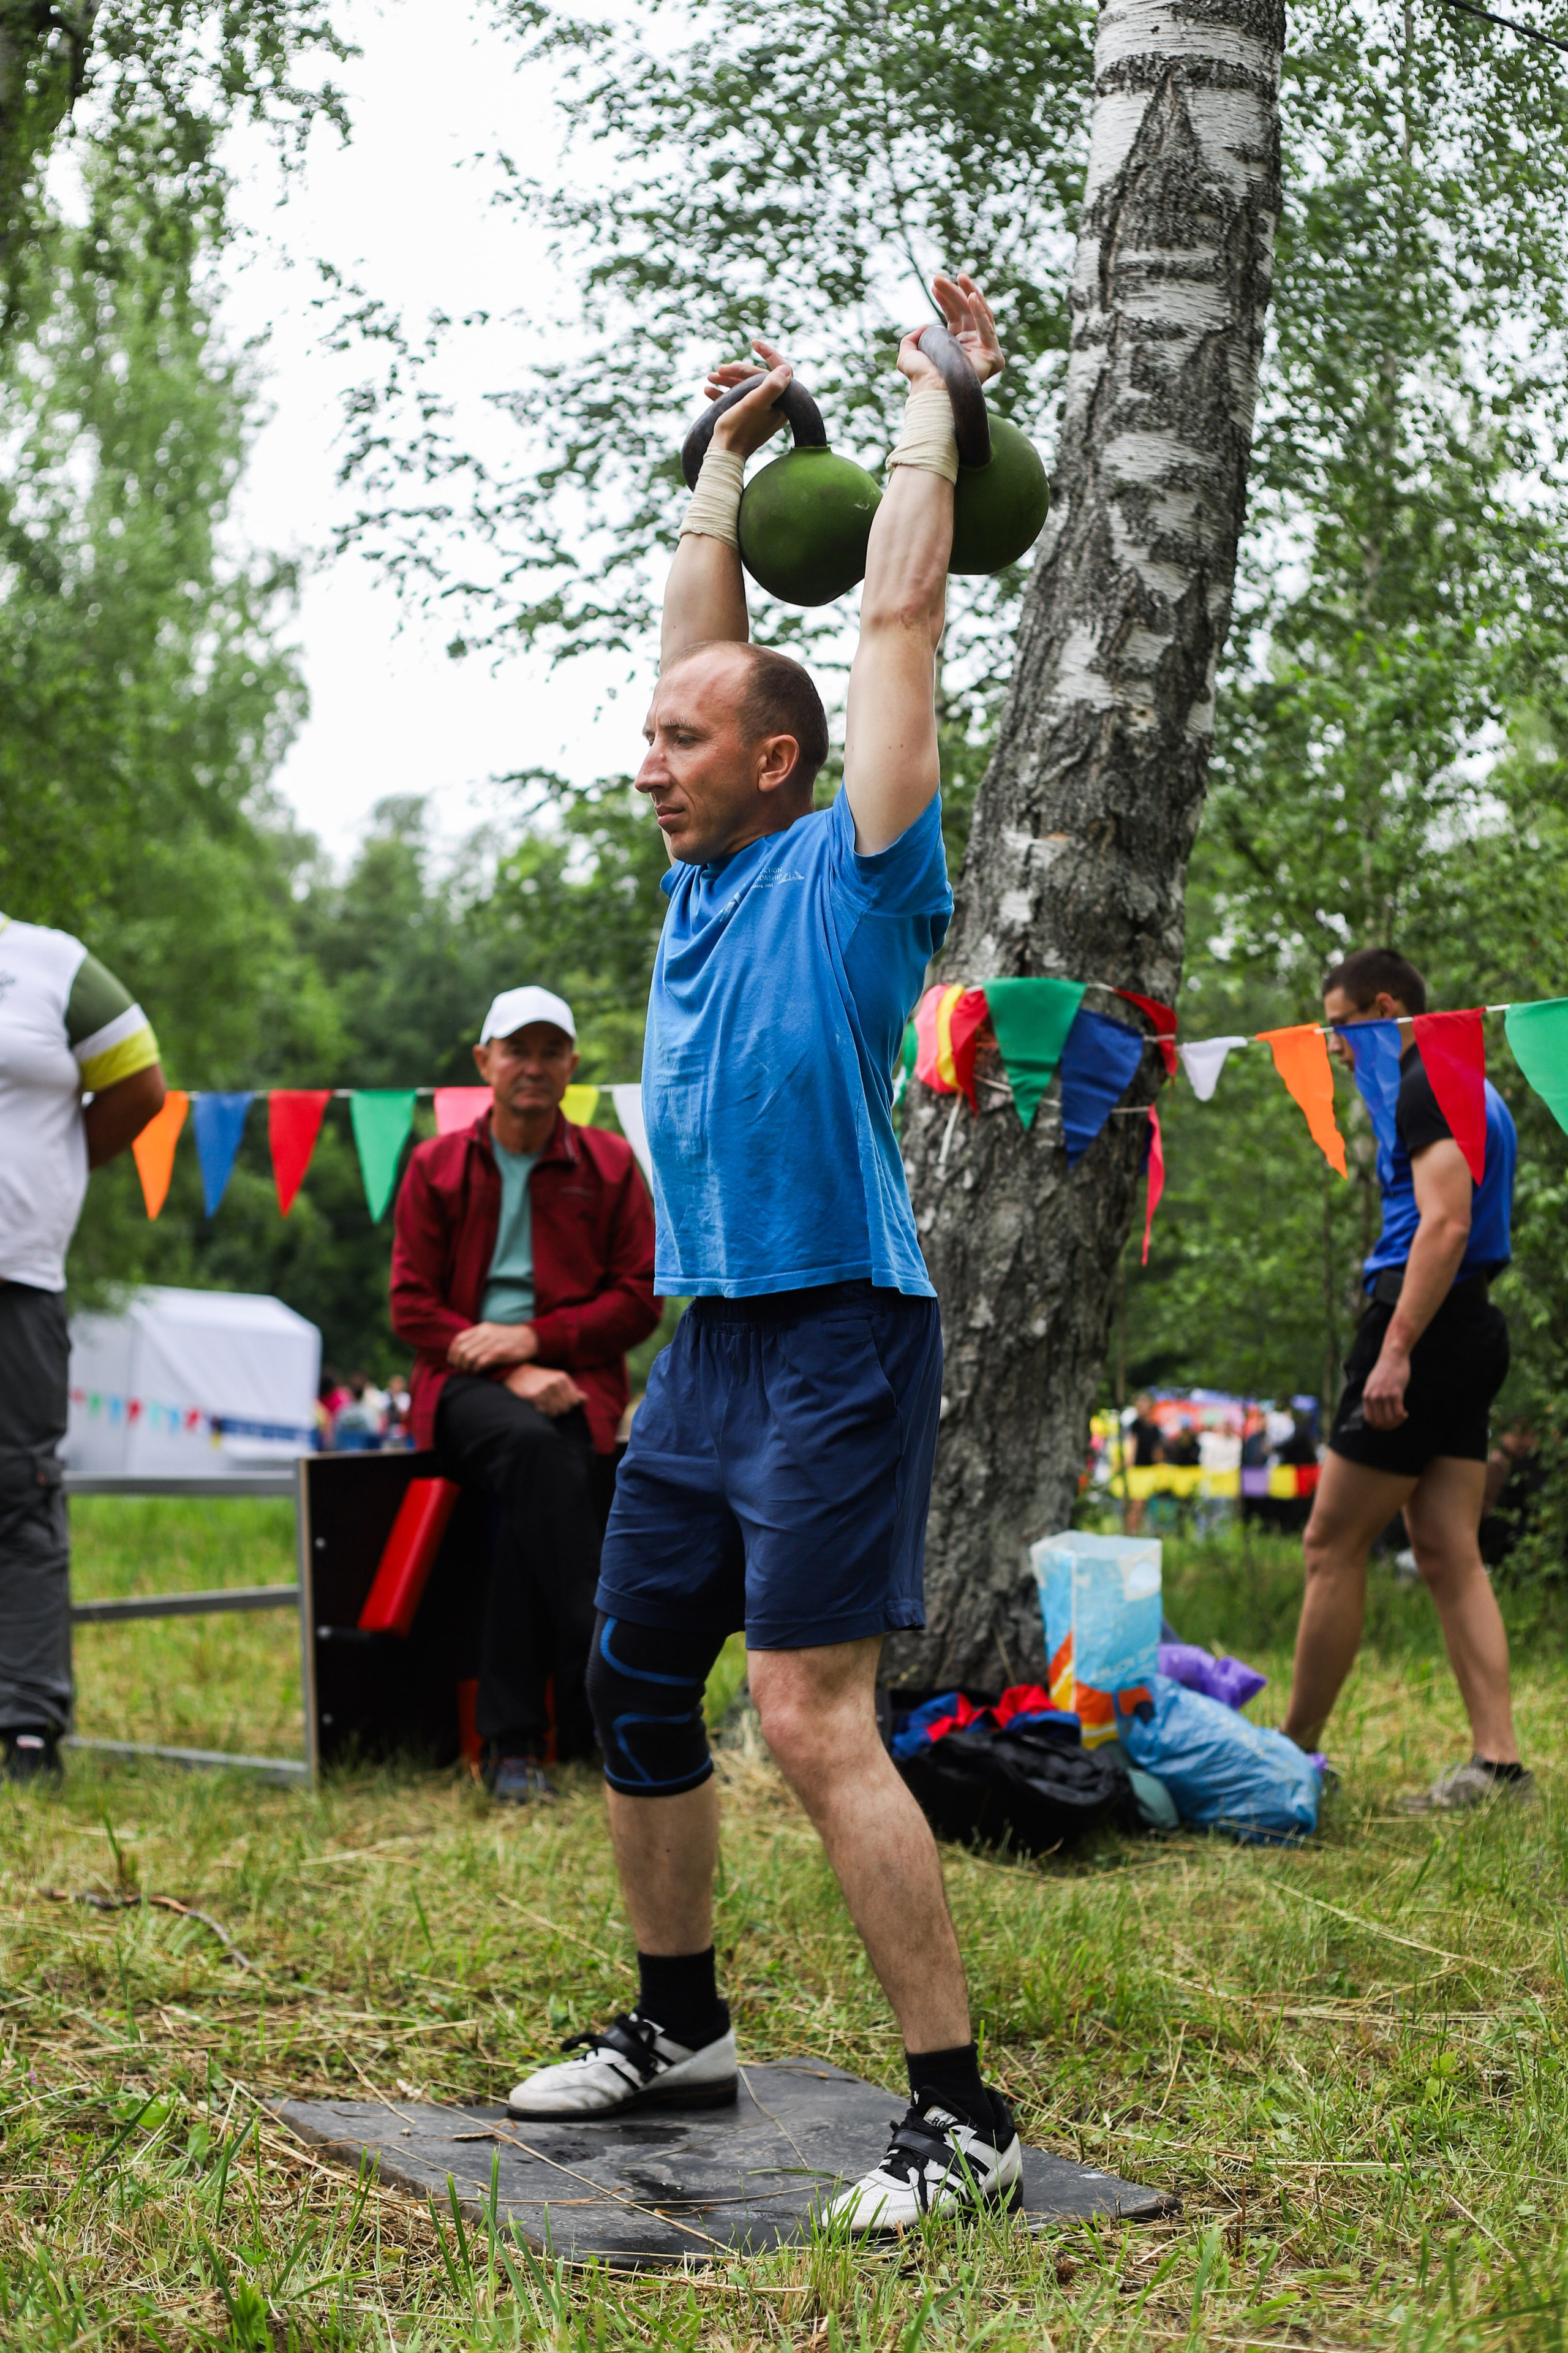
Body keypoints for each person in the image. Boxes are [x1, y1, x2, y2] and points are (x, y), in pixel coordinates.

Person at [505, 278, 1022, 2230]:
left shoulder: (863, 859)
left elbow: (891, 624)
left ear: (781, 766)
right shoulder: (697, 880)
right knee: (637, 1674)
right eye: (650, 737)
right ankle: (677, 2021)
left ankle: (958, 2113)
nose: (651, 757)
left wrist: (929, 421)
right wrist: (726, 461)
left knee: (806, 1719)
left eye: (682, 743)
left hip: (842, 1341)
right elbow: (705, 640)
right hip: (716, 1346)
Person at [391, 986, 658, 1801]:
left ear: (572, 1065)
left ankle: (518, 1748)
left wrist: (540, 1340)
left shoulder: (612, 1165)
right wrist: (508, 1363)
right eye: (517, 1050)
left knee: (538, 1489)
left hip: (579, 1393)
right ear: (485, 1063)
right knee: (540, 1454)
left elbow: (641, 1299)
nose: (533, 1067)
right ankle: (622, 1679)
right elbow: (412, 1305)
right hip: (462, 1391)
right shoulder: (436, 1164)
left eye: (550, 1051)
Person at [1280, 948, 1532, 1811]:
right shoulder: (1473, 1081)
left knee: (1329, 1544)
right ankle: (1498, 1766)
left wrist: (1394, 1348)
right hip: (1470, 1328)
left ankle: (1291, 1758)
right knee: (1448, 1550)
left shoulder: (1428, 1076)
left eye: (1340, 1026)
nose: (1338, 1048)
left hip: (1421, 1327)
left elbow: (1446, 1223)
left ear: (1385, 1006)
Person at [0, 913, 166, 1781]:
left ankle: (27, 1723)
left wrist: (57, 1174)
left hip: (17, 1277)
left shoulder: (50, 962)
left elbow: (140, 1086)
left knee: (20, 1493)